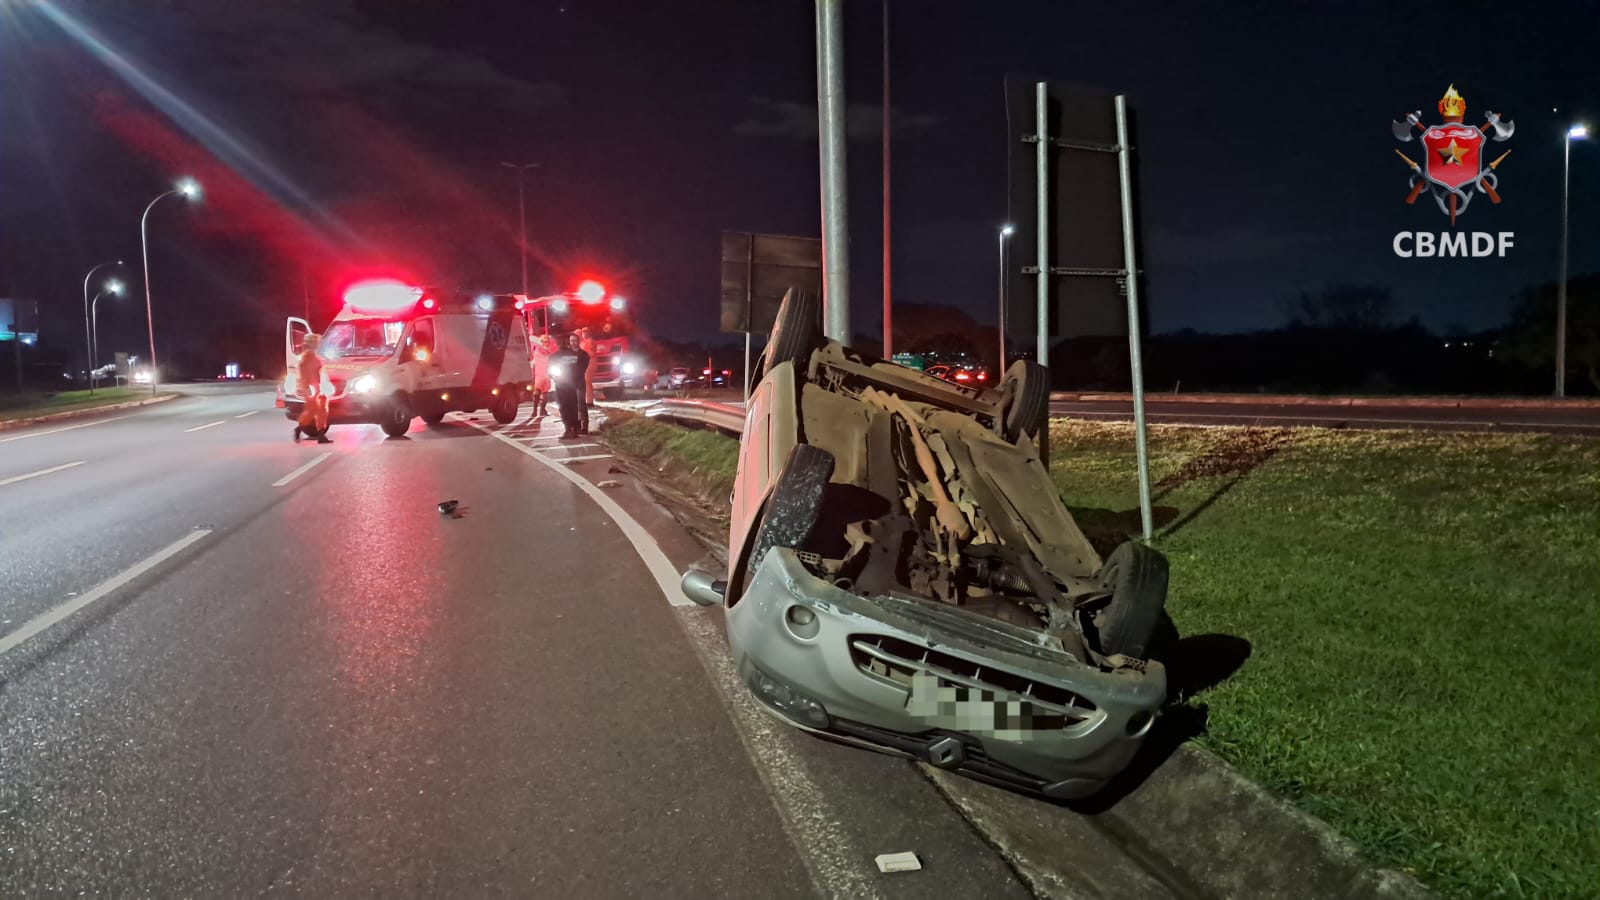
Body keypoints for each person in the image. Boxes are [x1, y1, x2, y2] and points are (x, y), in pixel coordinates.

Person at [293, 333, 332, 443]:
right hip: (312, 388)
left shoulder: (311, 356)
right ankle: (300, 429)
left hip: (315, 387)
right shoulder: (308, 357)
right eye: (316, 342)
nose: (318, 344)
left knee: (321, 411)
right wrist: (310, 388)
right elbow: (308, 374)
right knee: (314, 410)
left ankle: (320, 434)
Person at [550, 332, 590, 439]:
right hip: (572, 385)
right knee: (573, 406)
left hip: (562, 385)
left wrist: (554, 377)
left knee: (565, 407)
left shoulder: (554, 356)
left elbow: (550, 371)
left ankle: (569, 429)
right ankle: (575, 429)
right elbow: (580, 368)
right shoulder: (575, 355)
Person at [529, 333, 556, 418]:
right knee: (543, 393)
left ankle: (536, 411)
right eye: (546, 341)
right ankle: (541, 410)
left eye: (547, 341)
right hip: (544, 374)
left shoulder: (537, 350)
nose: (547, 343)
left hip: (541, 374)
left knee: (540, 392)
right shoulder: (548, 351)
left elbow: (533, 363)